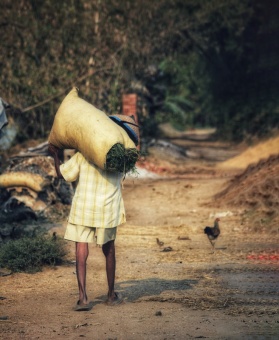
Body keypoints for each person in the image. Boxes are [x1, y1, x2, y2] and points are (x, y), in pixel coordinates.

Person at [48, 144, 126, 311]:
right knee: (109, 249)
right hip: (107, 207)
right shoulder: (117, 156)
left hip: (84, 206)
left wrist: (55, 155)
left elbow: (63, 174)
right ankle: (111, 296)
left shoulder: (83, 155)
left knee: (81, 249)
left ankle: (83, 298)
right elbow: (126, 169)